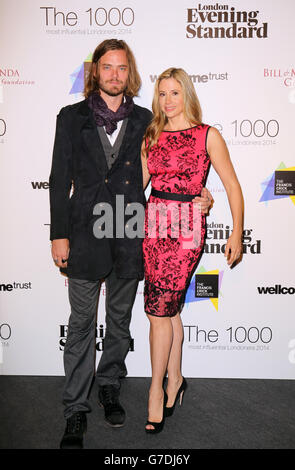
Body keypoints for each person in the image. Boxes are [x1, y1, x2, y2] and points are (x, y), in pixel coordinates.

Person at [49, 41, 212, 448]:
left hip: (130, 235)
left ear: (130, 73)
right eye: (108, 67)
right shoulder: (70, 118)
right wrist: (58, 233)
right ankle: (75, 410)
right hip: (84, 236)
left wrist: (203, 196)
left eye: (122, 68)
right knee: (82, 325)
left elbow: (177, 163)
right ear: (96, 72)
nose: (115, 74)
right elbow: (57, 179)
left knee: (119, 325)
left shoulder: (147, 119)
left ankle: (109, 388)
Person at [141, 68, 244, 433]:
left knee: (157, 310)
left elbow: (231, 185)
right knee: (166, 310)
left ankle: (155, 391)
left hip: (186, 229)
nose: (168, 101)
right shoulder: (151, 135)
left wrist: (236, 233)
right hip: (153, 226)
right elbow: (137, 186)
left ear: (187, 94)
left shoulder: (207, 135)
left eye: (175, 93)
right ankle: (175, 379)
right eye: (162, 94)